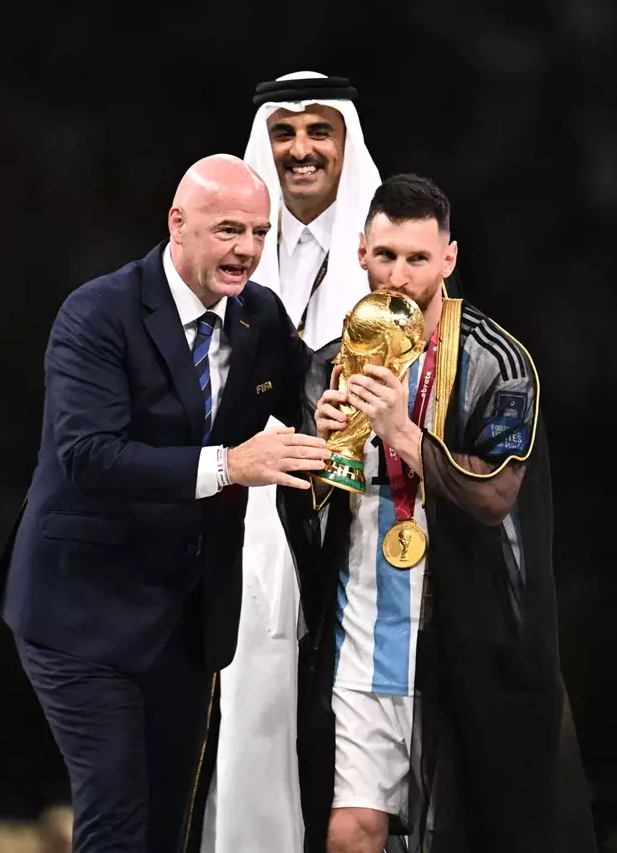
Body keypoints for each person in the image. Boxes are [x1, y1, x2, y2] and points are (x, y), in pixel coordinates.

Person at [0, 155, 330, 853]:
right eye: (229, 230)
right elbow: (89, 458)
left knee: (168, 827)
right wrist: (232, 465)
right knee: (118, 822)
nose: (248, 250)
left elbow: (309, 391)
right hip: (82, 612)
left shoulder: (260, 317)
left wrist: (351, 391)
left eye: (260, 233)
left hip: (185, 615)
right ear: (177, 224)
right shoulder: (96, 313)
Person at [285, 174, 597, 852]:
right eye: (386, 255)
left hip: (467, 639)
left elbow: (494, 498)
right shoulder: (327, 367)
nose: (398, 275)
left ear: (448, 260)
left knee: (470, 836)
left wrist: (402, 433)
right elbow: (312, 512)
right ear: (361, 251)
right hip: (362, 637)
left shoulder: (499, 363)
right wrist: (325, 452)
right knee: (350, 834)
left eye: (418, 259)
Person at [202, 71, 388, 853]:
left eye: (321, 132)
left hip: (367, 540)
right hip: (251, 539)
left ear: (347, 143)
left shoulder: (389, 263)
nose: (302, 150)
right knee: (252, 724)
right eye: (285, 133)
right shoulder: (230, 263)